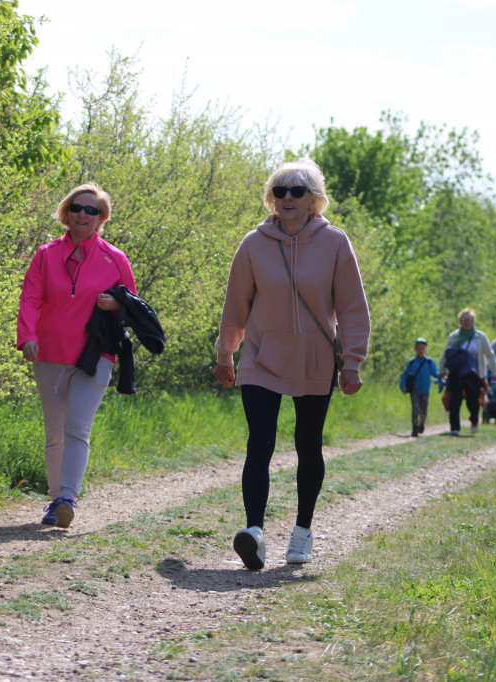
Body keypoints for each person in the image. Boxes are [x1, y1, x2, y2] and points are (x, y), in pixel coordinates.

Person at [213, 159, 370, 571]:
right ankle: (255, 533)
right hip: (261, 357)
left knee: (308, 444)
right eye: (280, 190)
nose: (287, 198)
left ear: (313, 199)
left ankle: (302, 531)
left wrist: (352, 362)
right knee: (259, 442)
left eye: (296, 191)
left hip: (315, 358)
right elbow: (236, 306)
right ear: (271, 197)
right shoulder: (253, 244)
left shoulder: (335, 242)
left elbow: (353, 308)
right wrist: (226, 354)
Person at [17, 183, 137, 529]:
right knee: (55, 432)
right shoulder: (45, 254)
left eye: (92, 210)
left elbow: (134, 307)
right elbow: (30, 298)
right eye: (77, 208)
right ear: (66, 213)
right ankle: (56, 500)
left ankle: (68, 496)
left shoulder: (116, 259)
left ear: (103, 219)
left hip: (95, 355)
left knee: (77, 428)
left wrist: (116, 303)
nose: (83, 215)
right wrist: (27, 336)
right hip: (50, 353)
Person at [438, 308, 496, 436]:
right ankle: (454, 428)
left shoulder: (480, 337)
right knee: (455, 400)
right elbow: (446, 353)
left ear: (474, 321)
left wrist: (495, 373)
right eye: (464, 319)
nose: (466, 322)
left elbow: (490, 355)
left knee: (473, 401)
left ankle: (474, 421)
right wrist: (442, 369)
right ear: (460, 321)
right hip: (456, 373)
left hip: (474, 374)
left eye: (469, 320)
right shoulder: (454, 336)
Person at [400, 338, 440, 437]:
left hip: (425, 390)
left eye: (422, 348)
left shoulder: (430, 362)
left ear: (426, 349)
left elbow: (435, 374)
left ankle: (421, 424)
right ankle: (414, 428)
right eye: (418, 348)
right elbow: (405, 374)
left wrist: (443, 376)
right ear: (415, 349)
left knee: (423, 410)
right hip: (414, 389)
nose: (420, 350)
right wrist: (402, 386)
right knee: (415, 409)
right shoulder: (412, 362)